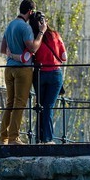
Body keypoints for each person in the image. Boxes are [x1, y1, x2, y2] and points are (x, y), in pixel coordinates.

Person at [0, 0, 42, 144]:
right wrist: (41, 33)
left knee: (10, 103)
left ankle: (3, 137)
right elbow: (33, 48)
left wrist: (12, 55)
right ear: (30, 12)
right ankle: (13, 137)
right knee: (20, 103)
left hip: (9, 68)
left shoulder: (10, 25)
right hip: (23, 70)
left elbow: (2, 50)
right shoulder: (25, 28)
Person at [29, 10, 68, 143]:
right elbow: (64, 57)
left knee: (40, 106)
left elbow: (31, 55)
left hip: (39, 74)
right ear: (45, 22)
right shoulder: (55, 35)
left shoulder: (34, 37)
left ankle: (39, 138)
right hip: (55, 74)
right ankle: (48, 138)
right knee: (48, 107)